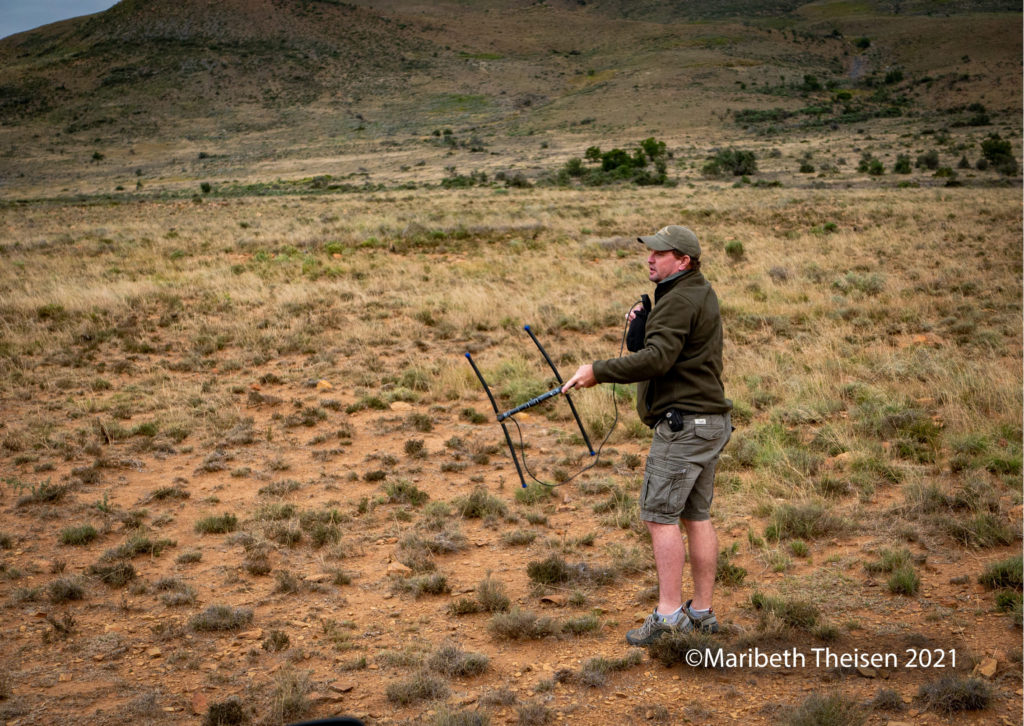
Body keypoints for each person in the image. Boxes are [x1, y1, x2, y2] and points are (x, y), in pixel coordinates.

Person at [562, 224, 732, 645]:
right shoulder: (698, 292)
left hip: (684, 428)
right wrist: (646, 326)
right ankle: (703, 613)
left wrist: (597, 372)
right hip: (709, 422)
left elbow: (657, 360)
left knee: (660, 517)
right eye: (650, 252)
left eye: (660, 253)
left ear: (683, 260)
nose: (650, 258)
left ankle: (669, 615)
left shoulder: (677, 302)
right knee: (696, 516)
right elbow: (672, 351)